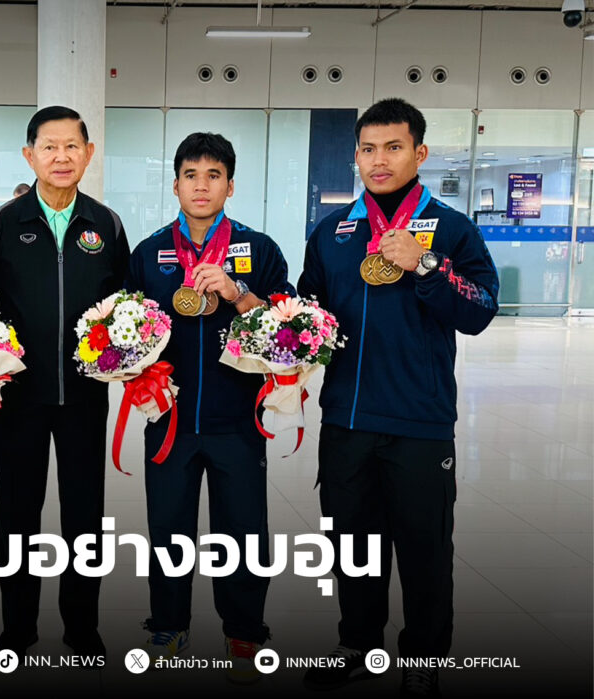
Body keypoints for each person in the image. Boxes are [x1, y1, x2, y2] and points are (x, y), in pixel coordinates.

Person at [297, 98, 499, 698]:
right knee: (351, 546)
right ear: (356, 156)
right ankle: (358, 645)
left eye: (393, 147)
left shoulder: (451, 228)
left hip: (419, 422)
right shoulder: (332, 232)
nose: (378, 160)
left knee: (424, 550)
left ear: (419, 153)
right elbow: (307, 315)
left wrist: (427, 263)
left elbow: (481, 309)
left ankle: (424, 660)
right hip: (346, 420)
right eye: (368, 149)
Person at [126, 132, 294, 684]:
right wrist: (128, 368)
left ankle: (244, 629)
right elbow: (124, 328)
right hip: (169, 419)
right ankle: (168, 624)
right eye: (191, 175)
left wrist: (238, 292)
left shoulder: (259, 249)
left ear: (230, 185)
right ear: (175, 185)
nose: (202, 186)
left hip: (237, 419)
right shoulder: (149, 252)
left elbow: (287, 326)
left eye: (213, 175)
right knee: (168, 527)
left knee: (242, 529)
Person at [0, 106, 130, 659]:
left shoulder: (106, 224)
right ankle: (18, 628)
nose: (61, 157)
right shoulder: (1, 224)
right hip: (19, 397)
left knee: (85, 517)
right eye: (49, 146)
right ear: (29, 155)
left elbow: (126, 308)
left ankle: (82, 630)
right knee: (18, 514)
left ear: (89, 153)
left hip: (86, 396)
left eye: (72, 146)